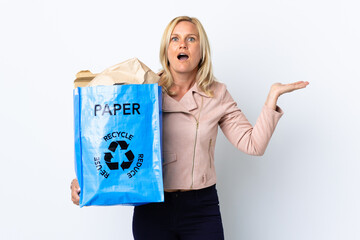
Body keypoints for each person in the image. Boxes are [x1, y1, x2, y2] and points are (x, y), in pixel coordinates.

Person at [70, 16, 309, 239]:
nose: (182, 44)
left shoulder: (217, 94)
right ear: (167, 49)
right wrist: (86, 179)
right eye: (175, 39)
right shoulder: (142, 91)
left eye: (191, 39)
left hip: (201, 209)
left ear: (201, 51)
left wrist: (271, 99)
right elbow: (110, 137)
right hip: (152, 207)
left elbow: (253, 144)